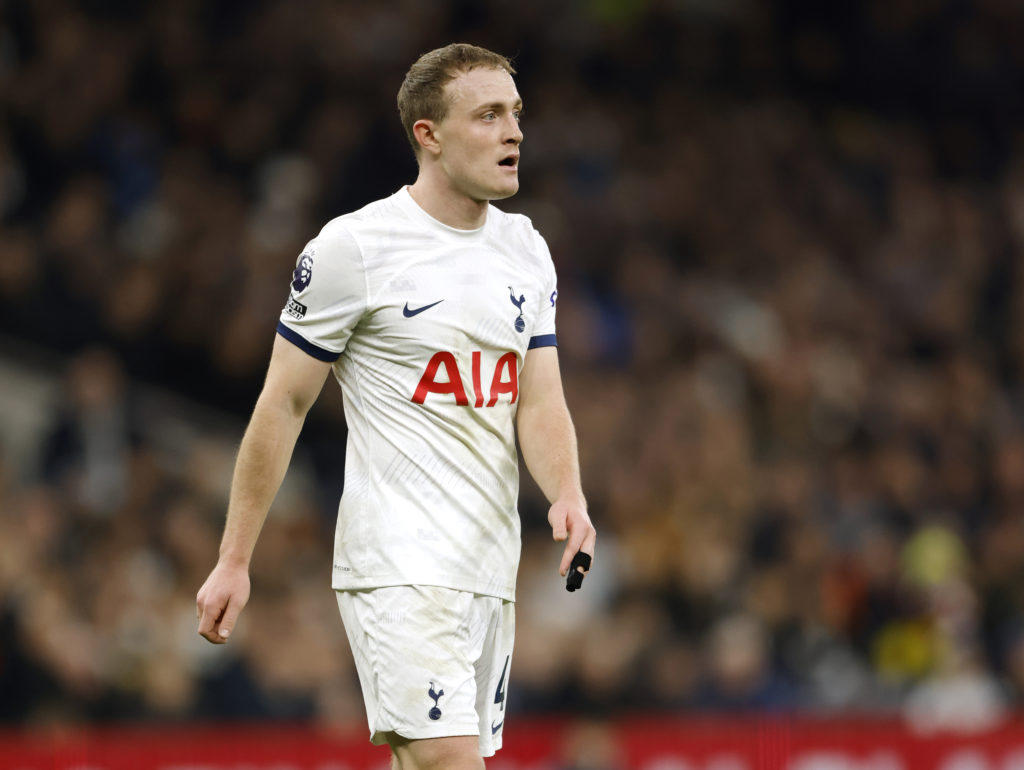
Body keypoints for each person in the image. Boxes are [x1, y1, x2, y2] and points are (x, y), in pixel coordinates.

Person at [195, 43, 596, 770]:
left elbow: (538, 396)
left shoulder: (526, 250)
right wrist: (234, 560)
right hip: (398, 564)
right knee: (448, 762)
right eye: (488, 115)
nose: (515, 132)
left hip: (487, 566)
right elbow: (282, 404)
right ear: (429, 135)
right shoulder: (355, 248)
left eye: (516, 114)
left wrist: (566, 492)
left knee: (425, 763)